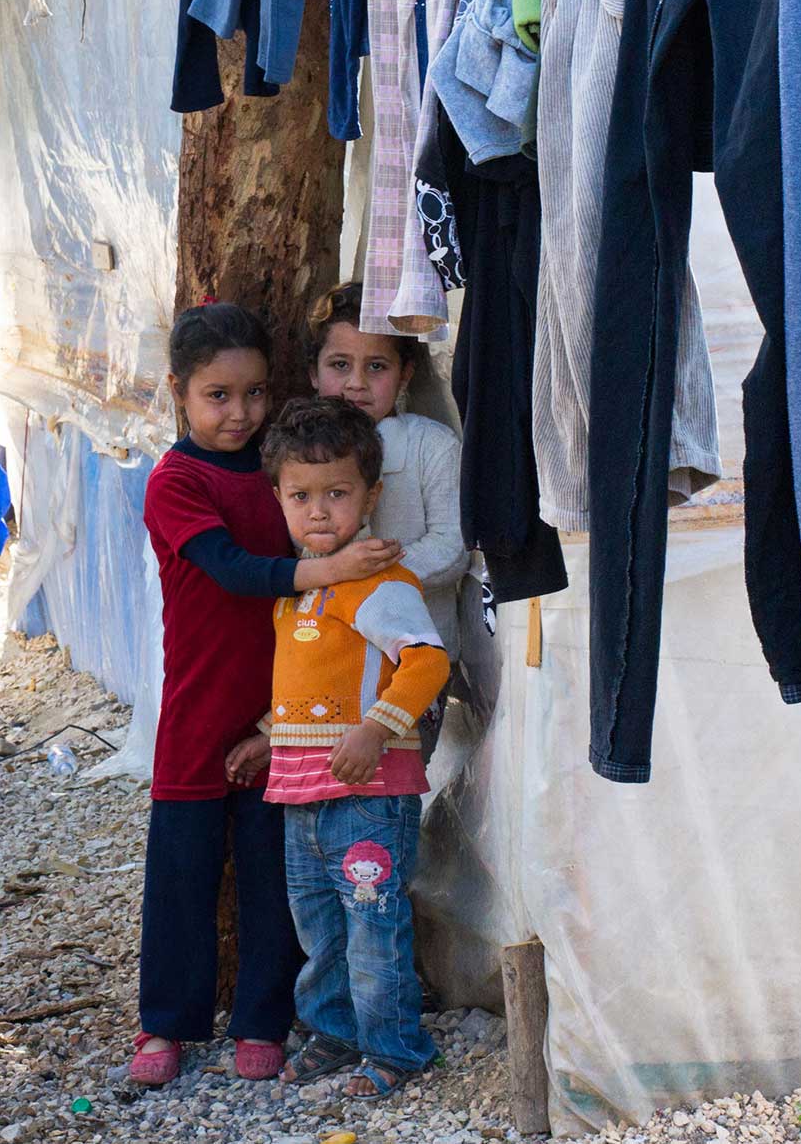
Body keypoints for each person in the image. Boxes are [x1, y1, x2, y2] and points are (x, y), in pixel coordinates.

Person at [133, 303, 402, 1088]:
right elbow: (230, 568)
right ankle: (165, 1023)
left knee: (274, 876)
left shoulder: (278, 471)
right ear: (179, 390)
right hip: (197, 705)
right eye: (219, 395)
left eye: (254, 394)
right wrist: (326, 570)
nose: (240, 412)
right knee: (181, 874)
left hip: (284, 707)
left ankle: (260, 1019)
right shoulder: (175, 480)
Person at [228, 396, 449, 1101]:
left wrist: (377, 728)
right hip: (300, 794)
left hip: (369, 796)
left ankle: (397, 1047)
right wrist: (267, 738)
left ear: (371, 496)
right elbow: (309, 685)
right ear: (280, 499)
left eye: (336, 493)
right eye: (301, 495)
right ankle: (336, 1030)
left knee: (373, 926)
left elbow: (427, 662)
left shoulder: (379, 584)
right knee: (320, 924)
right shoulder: (296, 594)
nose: (318, 510)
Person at [304, 281, 470, 754]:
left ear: (404, 375)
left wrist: (367, 575)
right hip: (324, 660)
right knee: (328, 781)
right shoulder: (297, 449)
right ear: (314, 374)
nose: (355, 383)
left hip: (412, 667)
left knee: (394, 789)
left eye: (375, 366)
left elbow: (451, 546)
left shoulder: (430, 447)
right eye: (340, 365)